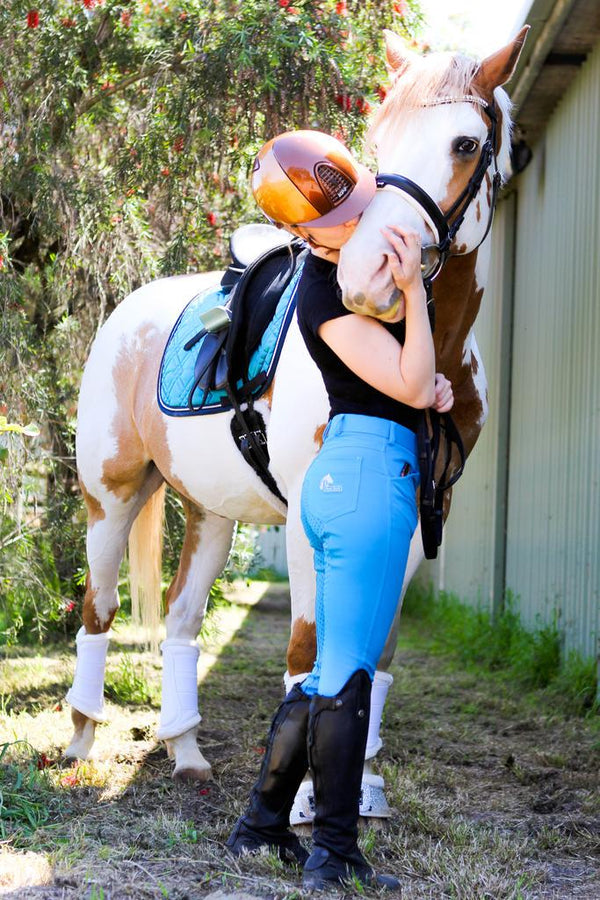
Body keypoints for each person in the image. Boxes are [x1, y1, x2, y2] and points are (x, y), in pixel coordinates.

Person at [226, 130, 453, 890]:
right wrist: (415, 293)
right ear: (305, 235)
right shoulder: (327, 290)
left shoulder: (347, 274)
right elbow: (410, 384)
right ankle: (333, 853)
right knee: (349, 675)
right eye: (336, 219)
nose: (355, 222)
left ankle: (260, 828)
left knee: (326, 669)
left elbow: (407, 382)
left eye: (356, 206)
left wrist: (426, 385)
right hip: (367, 482)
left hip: (347, 473)